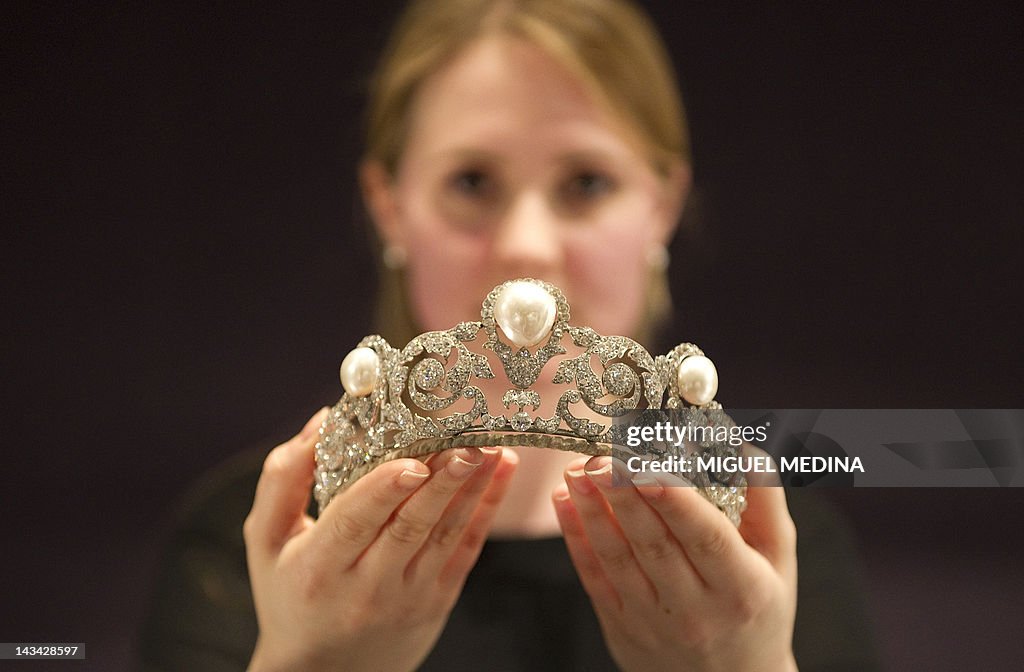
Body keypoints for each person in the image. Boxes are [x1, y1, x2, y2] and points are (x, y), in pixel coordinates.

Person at [140, 1, 880, 670]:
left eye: (586, 182)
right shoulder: (237, 554)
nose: (528, 249)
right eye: (472, 182)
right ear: (389, 206)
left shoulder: (773, 561)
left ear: (662, 207)